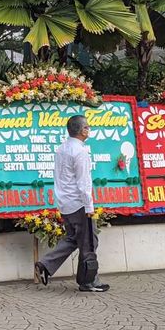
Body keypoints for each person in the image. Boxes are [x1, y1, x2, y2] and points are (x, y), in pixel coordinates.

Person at [35, 114, 109, 292]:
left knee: (74, 238)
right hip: (78, 203)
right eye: (87, 127)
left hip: (65, 202)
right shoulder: (80, 151)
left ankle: (46, 264)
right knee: (89, 242)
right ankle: (89, 281)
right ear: (83, 130)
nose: (88, 129)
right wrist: (89, 207)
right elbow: (84, 182)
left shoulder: (62, 148)